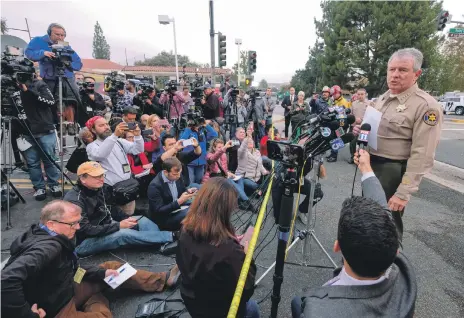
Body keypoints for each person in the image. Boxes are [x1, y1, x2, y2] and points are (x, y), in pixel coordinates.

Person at [291, 149, 417, 318]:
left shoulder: (318, 310)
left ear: (337, 247)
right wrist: (366, 169)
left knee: (296, 303)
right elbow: (383, 210)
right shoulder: (405, 274)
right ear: (395, 249)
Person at [1, 200, 180, 318]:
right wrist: (27, 315)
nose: (78, 227)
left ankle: (162, 280)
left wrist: (101, 273)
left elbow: (72, 268)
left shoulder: (46, 233)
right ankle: (95, 299)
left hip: (66, 285)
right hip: (55, 307)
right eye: (73, 223)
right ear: (51, 225)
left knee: (111, 268)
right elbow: (6, 279)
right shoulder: (47, 248)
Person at [353, 48, 442, 241]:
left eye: (402, 70)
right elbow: (374, 130)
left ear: (416, 74)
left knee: (386, 224)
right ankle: (365, 264)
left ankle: (388, 266)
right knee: (368, 218)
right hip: (371, 166)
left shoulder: (426, 106)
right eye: (391, 69)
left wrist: (403, 192)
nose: (395, 75)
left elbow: (423, 154)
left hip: (392, 170)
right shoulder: (383, 98)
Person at [177, 178, 260, 318]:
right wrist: (246, 257)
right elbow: (245, 290)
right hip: (218, 308)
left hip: (191, 299)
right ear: (225, 210)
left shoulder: (185, 230)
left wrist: (230, 239)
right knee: (252, 308)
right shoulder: (228, 252)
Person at [63, 161, 175, 256]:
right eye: (96, 176)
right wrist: (118, 226)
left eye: (102, 175)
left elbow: (112, 209)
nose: (101, 179)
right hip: (83, 242)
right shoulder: (75, 200)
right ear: (83, 179)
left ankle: (160, 243)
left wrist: (126, 219)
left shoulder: (98, 188)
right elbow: (85, 230)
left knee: (141, 220)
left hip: (105, 225)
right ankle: (172, 236)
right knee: (123, 233)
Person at [25, 23, 83, 130]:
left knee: (72, 100)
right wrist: (43, 53)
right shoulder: (38, 41)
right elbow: (28, 53)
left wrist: (68, 64)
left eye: (63, 35)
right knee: (50, 102)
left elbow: (78, 63)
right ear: (49, 33)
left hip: (67, 77)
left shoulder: (65, 45)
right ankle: (54, 125)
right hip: (49, 78)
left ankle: (71, 125)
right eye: (57, 35)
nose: (60, 38)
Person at [86, 116, 143, 216]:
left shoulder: (119, 141)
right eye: (101, 125)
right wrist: (115, 135)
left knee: (130, 215)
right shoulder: (92, 146)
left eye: (106, 124)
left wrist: (138, 136)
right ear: (93, 130)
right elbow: (100, 154)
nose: (106, 127)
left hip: (128, 187)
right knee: (118, 220)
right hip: (112, 193)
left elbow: (138, 150)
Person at [18, 75, 62, 200]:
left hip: (44, 129)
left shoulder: (39, 85)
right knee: (32, 163)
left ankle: (54, 184)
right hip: (24, 131)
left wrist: (29, 91)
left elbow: (50, 102)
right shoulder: (12, 89)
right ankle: (39, 188)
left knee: (49, 160)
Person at [148, 158, 199, 231]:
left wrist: (188, 191)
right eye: (175, 174)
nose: (178, 176)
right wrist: (179, 202)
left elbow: (182, 189)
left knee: (199, 206)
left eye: (180, 173)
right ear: (165, 172)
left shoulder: (177, 175)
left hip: (177, 208)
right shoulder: (154, 186)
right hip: (164, 218)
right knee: (191, 213)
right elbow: (158, 211)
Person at [202, 138, 250, 203]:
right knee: (231, 182)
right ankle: (246, 200)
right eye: (219, 147)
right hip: (213, 178)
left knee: (240, 178)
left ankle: (240, 199)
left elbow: (224, 170)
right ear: (213, 148)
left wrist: (229, 173)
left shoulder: (224, 155)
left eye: (222, 146)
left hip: (223, 176)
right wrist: (223, 148)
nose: (221, 148)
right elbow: (214, 158)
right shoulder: (209, 155)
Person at [180, 120, 218, 184]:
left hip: (201, 162)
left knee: (199, 183)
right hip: (190, 162)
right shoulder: (186, 131)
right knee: (190, 183)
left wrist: (206, 125)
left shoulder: (203, 131)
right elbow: (182, 142)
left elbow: (214, 134)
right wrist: (188, 129)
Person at [235, 129, 269, 196]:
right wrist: (248, 137)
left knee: (269, 176)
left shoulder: (257, 152)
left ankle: (260, 191)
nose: (250, 142)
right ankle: (258, 191)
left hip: (256, 177)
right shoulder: (242, 153)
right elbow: (242, 149)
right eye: (248, 142)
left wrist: (264, 172)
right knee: (253, 185)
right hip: (245, 177)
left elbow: (260, 165)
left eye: (251, 141)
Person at [327, 85, 351, 162]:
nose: (333, 96)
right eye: (332, 94)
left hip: (341, 124)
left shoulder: (343, 102)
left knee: (337, 139)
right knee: (332, 138)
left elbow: (343, 115)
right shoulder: (334, 100)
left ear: (339, 93)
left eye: (334, 94)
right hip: (335, 123)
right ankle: (332, 153)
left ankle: (334, 156)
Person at [348, 88, 369, 164]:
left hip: (364, 128)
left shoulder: (369, 104)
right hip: (354, 127)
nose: (360, 96)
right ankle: (352, 157)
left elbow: (370, 116)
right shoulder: (354, 103)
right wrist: (354, 118)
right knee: (352, 143)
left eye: (362, 94)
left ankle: (361, 159)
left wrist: (362, 119)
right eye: (358, 94)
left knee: (362, 144)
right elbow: (351, 114)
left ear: (365, 94)